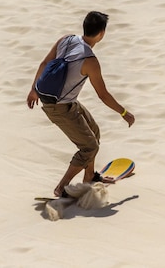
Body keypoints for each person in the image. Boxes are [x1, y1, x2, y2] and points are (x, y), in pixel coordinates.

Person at [26, 11, 135, 197]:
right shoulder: (90, 61)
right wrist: (124, 112)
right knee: (89, 147)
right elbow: (103, 95)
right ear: (102, 33)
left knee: (94, 132)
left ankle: (90, 176)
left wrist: (33, 89)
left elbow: (45, 63)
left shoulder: (66, 39)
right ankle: (61, 187)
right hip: (59, 108)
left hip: (62, 101)